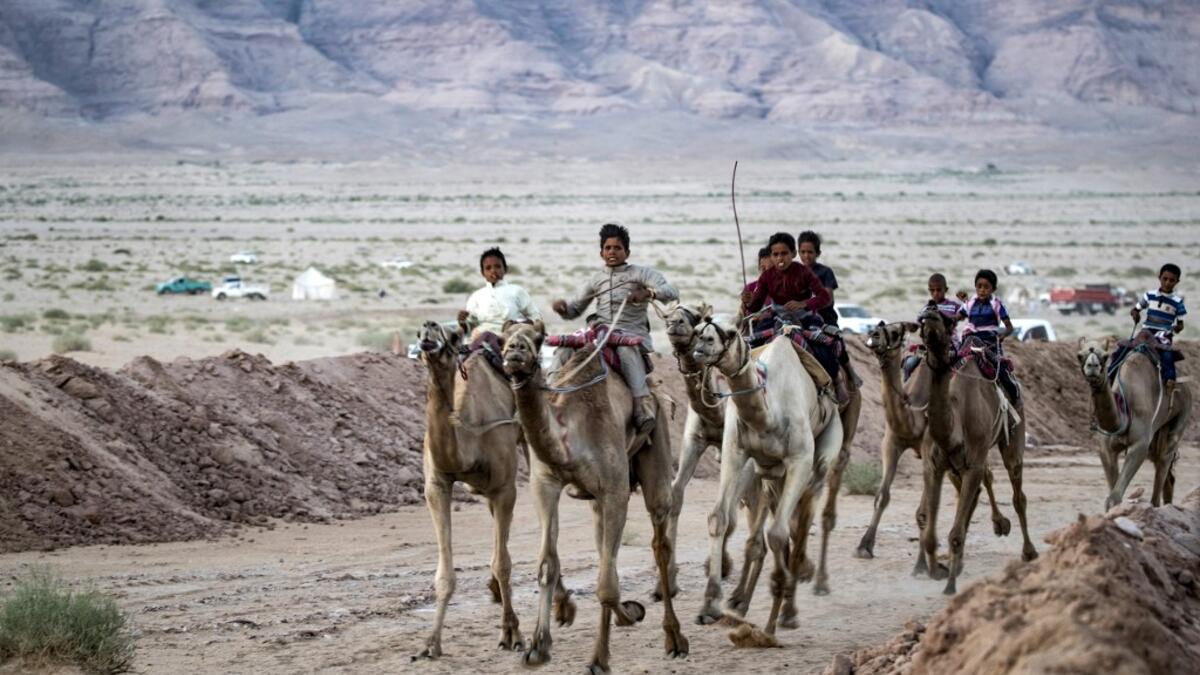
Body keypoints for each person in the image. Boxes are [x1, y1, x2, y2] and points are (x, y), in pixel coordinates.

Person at [552, 224, 678, 433]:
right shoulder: (596, 279)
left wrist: (649, 294)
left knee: (625, 350)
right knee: (563, 350)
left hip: (630, 335)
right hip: (599, 335)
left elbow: (671, 291)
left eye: (617, 248)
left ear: (627, 252)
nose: (612, 252)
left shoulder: (641, 274)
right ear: (601, 253)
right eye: (608, 248)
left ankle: (640, 406)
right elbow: (575, 310)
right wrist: (563, 309)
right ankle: (551, 393)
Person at [956, 269, 1020, 404]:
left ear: (993, 289)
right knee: (953, 366)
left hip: (989, 343)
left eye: (986, 287)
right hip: (970, 342)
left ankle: (1015, 397)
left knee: (1001, 372)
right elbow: (956, 318)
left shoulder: (997, 304)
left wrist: (1002, 336)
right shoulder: (970, 303)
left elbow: (1010, 328)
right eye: (979, 286)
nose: (982, 290)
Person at [1130, 263, 1186, 399]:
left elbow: (1180, 324)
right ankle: (1110, 374)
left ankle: (1170, 384)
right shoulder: (1149, 295)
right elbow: (1135, 309)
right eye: (1165, 279)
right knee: (1125, 349)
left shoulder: (1178, 302)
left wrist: (1177, 329)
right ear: (1159, 277)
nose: (1167, 283)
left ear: (1177, 282)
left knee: (1167, 356)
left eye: (1172, 280)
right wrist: (1135, 314)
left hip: (1163, 336)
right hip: (1146, 333)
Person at [458, 247, 541, 339]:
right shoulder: (476, 297)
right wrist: (462, 321)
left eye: (497, 266)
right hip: (482, 338)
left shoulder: (517, 291)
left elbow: (535, 316)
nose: (493, 271)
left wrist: (521, 324)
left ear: (505, 269)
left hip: (512, 337)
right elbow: (469, 327)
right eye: (488, 268)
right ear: (482, 272)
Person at [903, 273, 963, 380]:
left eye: (939, 290)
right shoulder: (926, 308)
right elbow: (918, 325)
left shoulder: (954, 306)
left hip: (950, 347)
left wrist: (966, 302)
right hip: (930, 349)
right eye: (932, 290)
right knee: (908, 364)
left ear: (946, 289)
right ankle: (907, 391)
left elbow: (965, 313)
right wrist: (910, 326)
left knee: (962, 369)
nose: (935, 293)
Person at [797, 230, 839, 327]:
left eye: (810, 252)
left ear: (818, 253)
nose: (806, 256)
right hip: (801, 319)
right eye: (803, 252)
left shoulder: (826, 272)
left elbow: (828, 299)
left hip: (826, 320)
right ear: (798, 252)